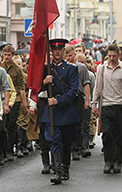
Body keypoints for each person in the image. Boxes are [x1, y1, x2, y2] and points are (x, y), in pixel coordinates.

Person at [41, 39, 80, 185]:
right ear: (51, 51)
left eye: (59, 49)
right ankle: (57, 172)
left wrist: (59, 101)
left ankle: (65, 168)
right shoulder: (47, 69)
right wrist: (44, 82)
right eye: (54, 49)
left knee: (66, 142)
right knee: (54, 140)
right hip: (52, 111)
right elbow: (36, 88)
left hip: (67, 109)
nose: (57, 52)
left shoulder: (71, 68)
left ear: (64, 51)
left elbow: (73, 90)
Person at [91, 44, 122, 174]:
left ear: (119, 55)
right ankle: (108, 161)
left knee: (120, 134)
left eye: (114, 56)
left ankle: (118, 161)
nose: (112, 58)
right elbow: (97, 88)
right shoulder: (102, 69)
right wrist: (94, 105)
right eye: (109, 56)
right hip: (106, 105)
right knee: (107, 134)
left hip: (120, 105)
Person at [64, 45, 91, 160]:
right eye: (67, 56)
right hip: (66, 97)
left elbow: (86, 83)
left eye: (70, 56)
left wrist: (88, 99)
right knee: (68, 124)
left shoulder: (81, 67)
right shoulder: (63, 67)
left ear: (74, 55)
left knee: (79, 123)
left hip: (78, 97)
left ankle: (77, 148)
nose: (68, 58)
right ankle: (69, 147)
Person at [1, 45, 27, 161]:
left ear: (12, 55)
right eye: (5, 55)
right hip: (2, 99)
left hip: (14, 99)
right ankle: (2, 151)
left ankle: (10, 150)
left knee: (12, 125)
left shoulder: (17, 69)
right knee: (3, 126)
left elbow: (21, 87)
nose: (6, 57)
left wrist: (24, 103)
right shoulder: (0, 67)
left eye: (8, 55)